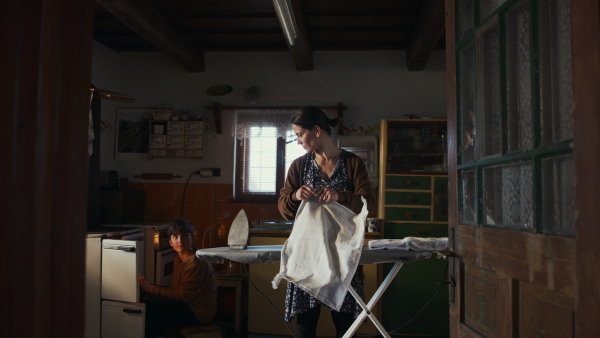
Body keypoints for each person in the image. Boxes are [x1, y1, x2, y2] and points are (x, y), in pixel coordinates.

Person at [278, 106, 375, 338]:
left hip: (342, 259)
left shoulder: (352, 163)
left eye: (300, 134)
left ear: (317, 130)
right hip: (307, 260)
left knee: (345, 327)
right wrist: (295, 195)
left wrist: (339, 195)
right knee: (305, 326)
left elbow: (367, 204)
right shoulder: (298, 166)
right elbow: (284, 210)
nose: (298, 140)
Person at [138, 219, 217, 338]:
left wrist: (151, 289)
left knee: (149, 303)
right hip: (186, 305)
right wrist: (149, 287)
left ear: (192, 238)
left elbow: (181, 296)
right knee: (144, 298)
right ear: (170, 242)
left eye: (185, 235)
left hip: (198, 312)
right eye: (175, 237)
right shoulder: (178, 260)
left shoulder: (197, 262)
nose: (180, 240)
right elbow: (175, 289)